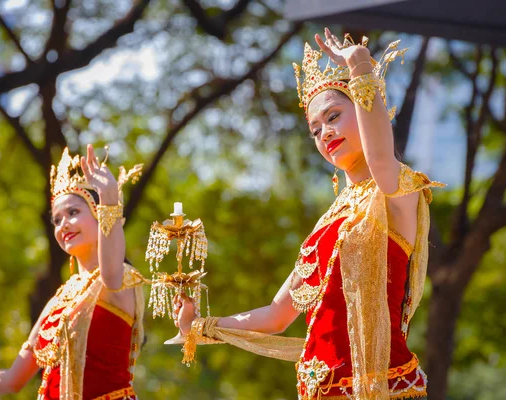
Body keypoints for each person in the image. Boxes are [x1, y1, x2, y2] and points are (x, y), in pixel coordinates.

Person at [175, 29, 444, 400]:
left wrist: (360, 65)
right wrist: (199, 326)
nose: (325, 133)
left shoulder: (397, 190)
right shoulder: (328, 223)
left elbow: (381, 157)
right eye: (315, 130)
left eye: (333, 116)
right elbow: (276, 315)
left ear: (366, 110)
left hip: (383, 389)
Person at [0, 145, 145, 400]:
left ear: (98, 214)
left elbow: (111, 276)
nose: (63, 225)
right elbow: (12, 379)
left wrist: (109, 200)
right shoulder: (59, 300)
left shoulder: (121, 277)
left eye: (73, 212)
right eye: (56, 220)